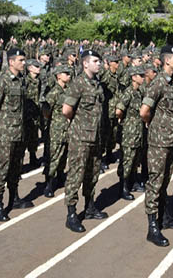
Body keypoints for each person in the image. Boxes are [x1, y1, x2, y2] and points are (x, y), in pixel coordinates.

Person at [140, 45, 173, 247]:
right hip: (158, 141)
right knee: (155, 181)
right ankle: (152, 227)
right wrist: (153, 125)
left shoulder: (172, 83)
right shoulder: (158, 82)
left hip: (170, 140)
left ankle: (164, 217)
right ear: (167, 61)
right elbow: (144, 111)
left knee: (165, 180)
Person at [62, 50, 108, 233]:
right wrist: (79, 125)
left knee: (92, 174)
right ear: (85, 63)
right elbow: (67, 110)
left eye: (99, 61)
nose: (99, 64)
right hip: (81, 138)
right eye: (96, 61)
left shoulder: (97, 84)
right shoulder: (78, 84)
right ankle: (71, 214)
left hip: (95, 137)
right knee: (76, 175)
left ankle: (89, 207)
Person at [0, 48, 34, 221]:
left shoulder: (22, 80)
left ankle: (14, 197)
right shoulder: (3, 81)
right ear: (11, 62)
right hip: (6, 133)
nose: (24, 63)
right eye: (21, 60)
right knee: (2, 169)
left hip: (20, 132)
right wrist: (3, 123)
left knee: (16, 167)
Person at [115, 65, 146, 201]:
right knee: (127, 160)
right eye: (141, 75)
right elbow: (118, 110)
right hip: (129, 132)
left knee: (135, 159)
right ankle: (123, 187)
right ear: (134, 77)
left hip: (138, 132)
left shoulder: (139, 92)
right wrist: (127, 122)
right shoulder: (128, 93)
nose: (143, 78)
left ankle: (132, 183)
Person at [41, 64, 72, 198]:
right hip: (56, 129)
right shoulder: (54, 92)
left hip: (66, 129)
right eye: (66, 73)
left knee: (63, 155)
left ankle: (60, 177)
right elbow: (46, 111)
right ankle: (49, 183)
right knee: (53, 156)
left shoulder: (69, 91)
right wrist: (55, 122)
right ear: (59, 76)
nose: (69, 75)